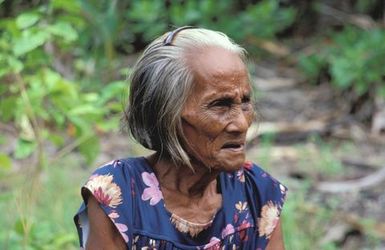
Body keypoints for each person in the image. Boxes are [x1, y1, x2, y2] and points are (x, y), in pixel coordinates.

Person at [74, 26, 287, 250]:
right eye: (219, 105)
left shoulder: (257, 193)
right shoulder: (120, 193)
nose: (242, 124)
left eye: (244, 102)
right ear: (166, 114)